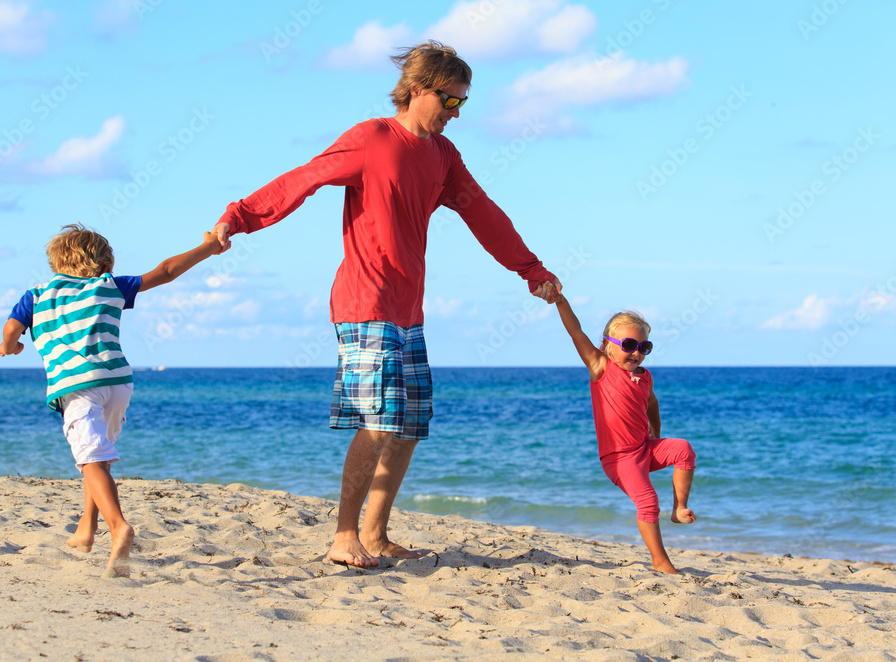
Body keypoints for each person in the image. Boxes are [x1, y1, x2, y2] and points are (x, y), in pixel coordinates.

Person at [212, 41, 562, 568]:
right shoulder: (372, 138)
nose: (455, 113)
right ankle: (344, 535)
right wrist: (240, 217)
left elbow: (483, 213)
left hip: (408, 308)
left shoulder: (443, 157)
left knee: (408, 426)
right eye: (449, 101)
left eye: (463, 104)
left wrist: (529, 269)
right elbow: (302, 179)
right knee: (376, 421)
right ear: (418, 89)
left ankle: (375, 534)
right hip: (365, 300)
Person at [0, 224, 222, 578]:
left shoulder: (37, 295)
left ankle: (119, 527)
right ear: (103, 263)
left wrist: (10, 347)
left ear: (57, 261)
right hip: (118, 382)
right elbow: (166, 272)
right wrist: (207, 247)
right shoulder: (109, 286)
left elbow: (11, 330)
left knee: (90, 459)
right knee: (98, 456)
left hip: (76, 386)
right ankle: (86, 527)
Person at [553, 295, 696, 574]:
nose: (636, 352)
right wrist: (560, 301)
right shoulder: (601, 368)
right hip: (619, 458)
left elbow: (652, 402)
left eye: (644, 347)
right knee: (647, 501)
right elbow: (575, 331)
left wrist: (657, 432)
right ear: (608, 345)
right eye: (629, 345)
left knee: (683, 449)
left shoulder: (645, 376)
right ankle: (660, 561)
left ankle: (679, 509)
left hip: (644, 448)